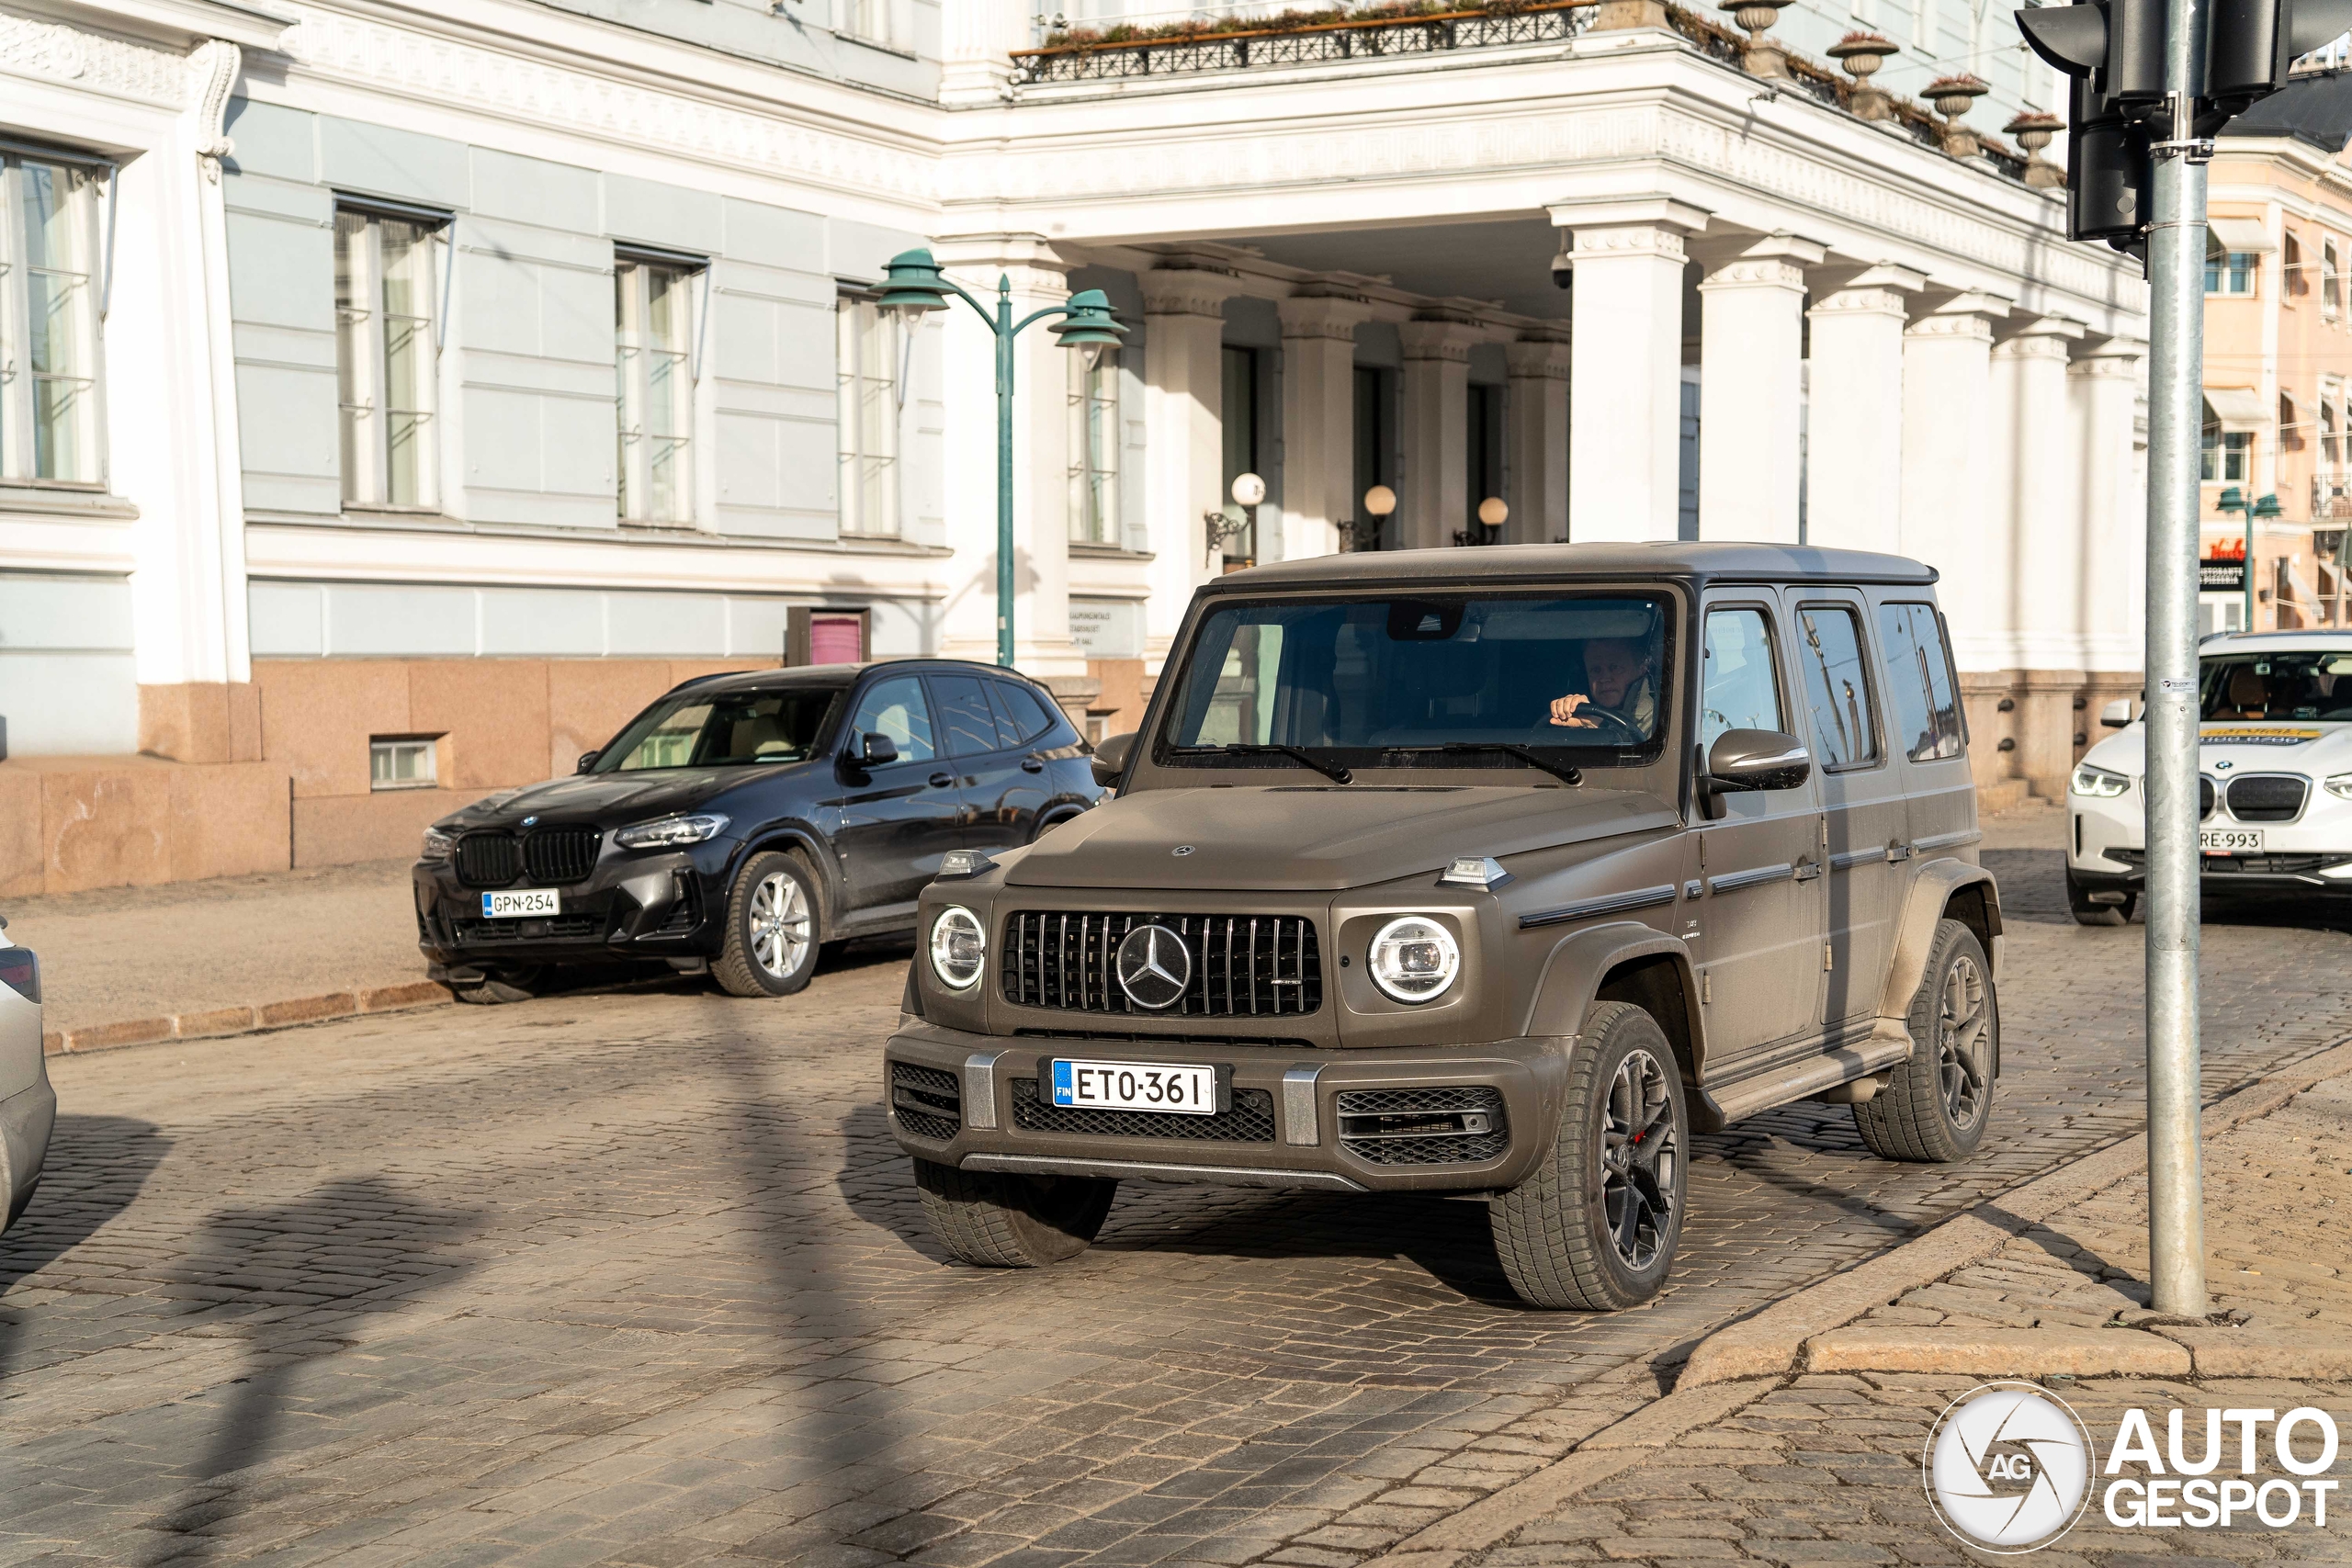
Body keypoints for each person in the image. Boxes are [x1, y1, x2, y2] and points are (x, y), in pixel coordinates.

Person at [1551, 637, 1657, 733]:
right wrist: (1567, 713)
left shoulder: (1657, 720)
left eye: (1615, 667)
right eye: (1596, 670)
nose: (1604, 678)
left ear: (1641, 668)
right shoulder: (1581, 716)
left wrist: (1602, 725)